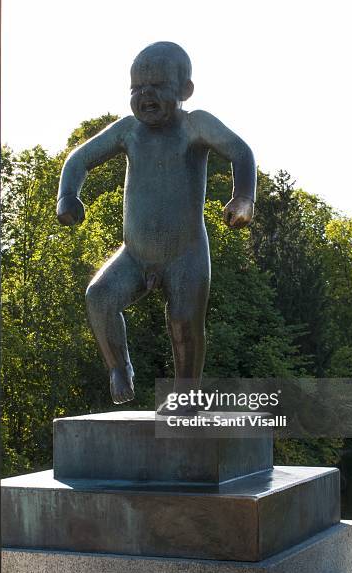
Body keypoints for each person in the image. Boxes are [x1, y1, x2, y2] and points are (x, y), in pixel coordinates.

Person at [57, 41, 256, 413]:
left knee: (183, 323)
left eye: (156, 86)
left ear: (184, 90)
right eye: (136, 88)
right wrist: (68, 196)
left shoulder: (195, 125)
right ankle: (119, 366)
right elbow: (79, 158)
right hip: (135, 254)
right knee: (99, 297)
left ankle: (186, 395)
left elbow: (241, 151)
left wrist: (243, 197)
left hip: (186, 253)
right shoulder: (129, 130)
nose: (144, 95)